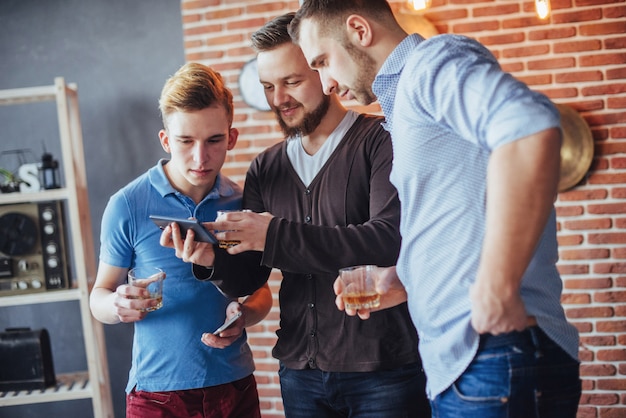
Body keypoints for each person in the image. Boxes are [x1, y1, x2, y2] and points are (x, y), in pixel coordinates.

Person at [289, 1, 582, 417]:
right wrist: (405, 278)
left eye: (322, 62)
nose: (326, 83)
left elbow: (529, 127)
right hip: (476, 364)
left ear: (358, 30)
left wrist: (496, 288)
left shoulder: (431, 64)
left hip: (493, 354)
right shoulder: (405, 105)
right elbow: (461, 212)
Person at [207, 12, 429, 418]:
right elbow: (250, 275)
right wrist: (211, 258)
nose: (279, 99)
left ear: (323, 70)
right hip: (299, 373)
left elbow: (387, 239)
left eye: (291, 81)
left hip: (384, 371)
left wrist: (273, 235)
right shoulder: (264, 168)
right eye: (268, 87)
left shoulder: (382, 140)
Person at [89, 62, 272, 418]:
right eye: (186, 141)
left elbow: (261, 290)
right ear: (166, 139)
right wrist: (117, 306)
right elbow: (99, 295)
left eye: (214, 140)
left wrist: (245, 315)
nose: (200, 158)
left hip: (235, 386)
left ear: (231, 138)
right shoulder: (127, 205)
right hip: (157, 396)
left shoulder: (244, 202)